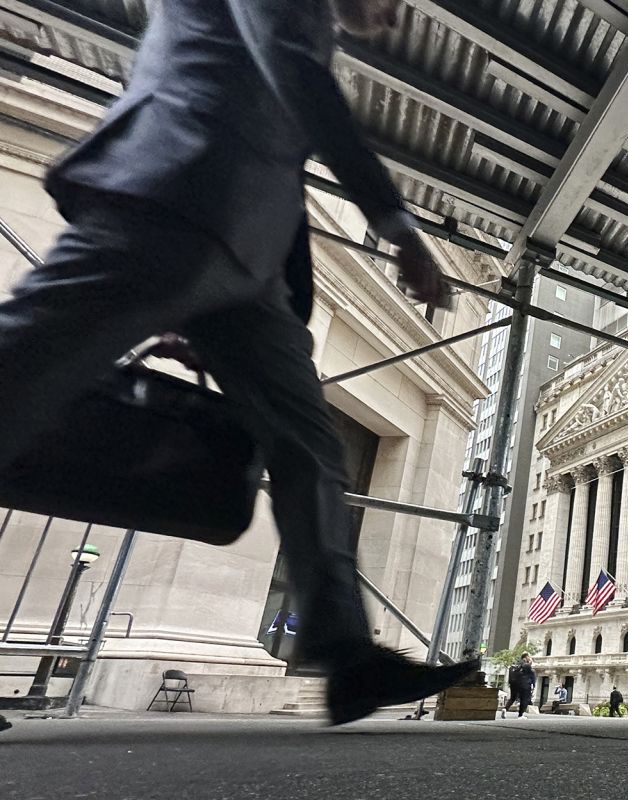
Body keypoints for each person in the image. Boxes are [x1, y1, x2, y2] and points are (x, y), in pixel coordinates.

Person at [0, 0, 477, 726]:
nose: (398, 16)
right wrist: (397, 226)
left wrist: (256, 305)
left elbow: (281, 167)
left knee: (310, 442)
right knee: (18, 373)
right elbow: (295, 78)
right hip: (172, 193)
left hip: (243, 266)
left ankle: (346, 657)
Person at [506, 653, 535, 717]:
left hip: (515, 683)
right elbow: (529, 671)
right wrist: (530, 664)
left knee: (513, 698)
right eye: (529, 656)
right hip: (524, 684)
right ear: (525, 657)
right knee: (524, 699)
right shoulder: (524, 664)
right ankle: (520, 715)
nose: (529, 658)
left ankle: (505, 709)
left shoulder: (516, 664)